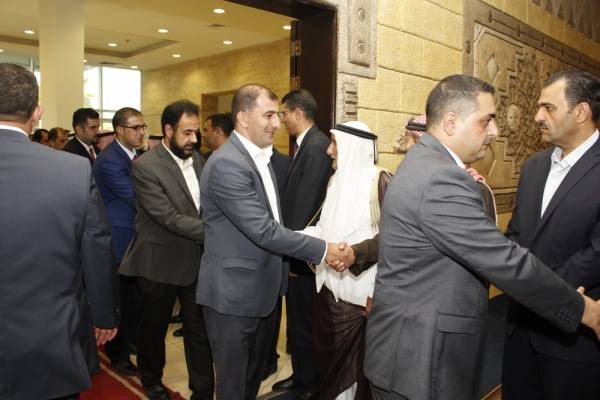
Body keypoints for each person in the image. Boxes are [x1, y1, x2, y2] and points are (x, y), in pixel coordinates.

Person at [364, 74, 600, 400]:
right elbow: (502, 258)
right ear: (451, 122)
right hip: (420, 360)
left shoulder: (422, 161)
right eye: (486, 120)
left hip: (411, 353)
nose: (495, 131)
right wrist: (584, 310)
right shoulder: (441, 178)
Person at [196, 84, 342, 400]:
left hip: (263, 291)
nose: (277, 123)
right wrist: (323, 249)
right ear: (243, 118)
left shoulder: (261, 159)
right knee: (233, 388)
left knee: (251, 382)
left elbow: (276, 221)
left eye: (277, 115)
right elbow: (264, 230)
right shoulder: (227, 164)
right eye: (269, 115)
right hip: (233, 297)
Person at [0, 62, 118, 399]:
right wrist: (104, 316)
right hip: (52, 339)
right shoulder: (73, 170)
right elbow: (96, 249)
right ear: (37, 113)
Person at [502, 69, 600, 400]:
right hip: (520, 332)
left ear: (581, 112)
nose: (537, 117)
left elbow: (596, 254)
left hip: (572, 340)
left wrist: (537, 291)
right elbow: (516, 234)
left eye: (548, 108)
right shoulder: (534, 166)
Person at [120, 100, 213, 400]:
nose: (194, 139)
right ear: (168, 130)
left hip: (196, 260)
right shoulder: (146, 166)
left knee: (198, 329)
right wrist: (216, 232)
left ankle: (203, 390)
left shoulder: (197, 159)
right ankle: (151, 379)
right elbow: (167, 217)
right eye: (187, 133)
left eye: (196, 132)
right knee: (154, 328)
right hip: (159, 261)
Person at [298, 121, 385, 400]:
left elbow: (393, 240)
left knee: (355, 377)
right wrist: (292, 238)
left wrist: (354, 255)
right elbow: (324, 229)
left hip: (360, 300)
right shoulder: (335, 180)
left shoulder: (380, 181)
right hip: (327, 294)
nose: (329, 150)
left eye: (335, 143)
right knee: (329, 372)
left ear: (353, 147)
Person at [271, 88, 333, 399]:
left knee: (304, 322)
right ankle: (300, 374)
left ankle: (310, 383)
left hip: (303, 255)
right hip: (297, 250)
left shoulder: (316, 146)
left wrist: (294, 257)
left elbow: (306, 206)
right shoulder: (305, 144)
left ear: (298, 112)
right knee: (295, 321)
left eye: (283, 114)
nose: (282, 120)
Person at [93, 107, 145, 377]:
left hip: (132, 236)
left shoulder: (132, 155)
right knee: (120, 299)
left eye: (143, 126)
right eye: (135, 127)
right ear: (119, 131)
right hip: (118, 237)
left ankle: (129, 342)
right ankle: (118, 355)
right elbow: (136, 197)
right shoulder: (110, 160)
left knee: (131, 297)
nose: (141, 132)